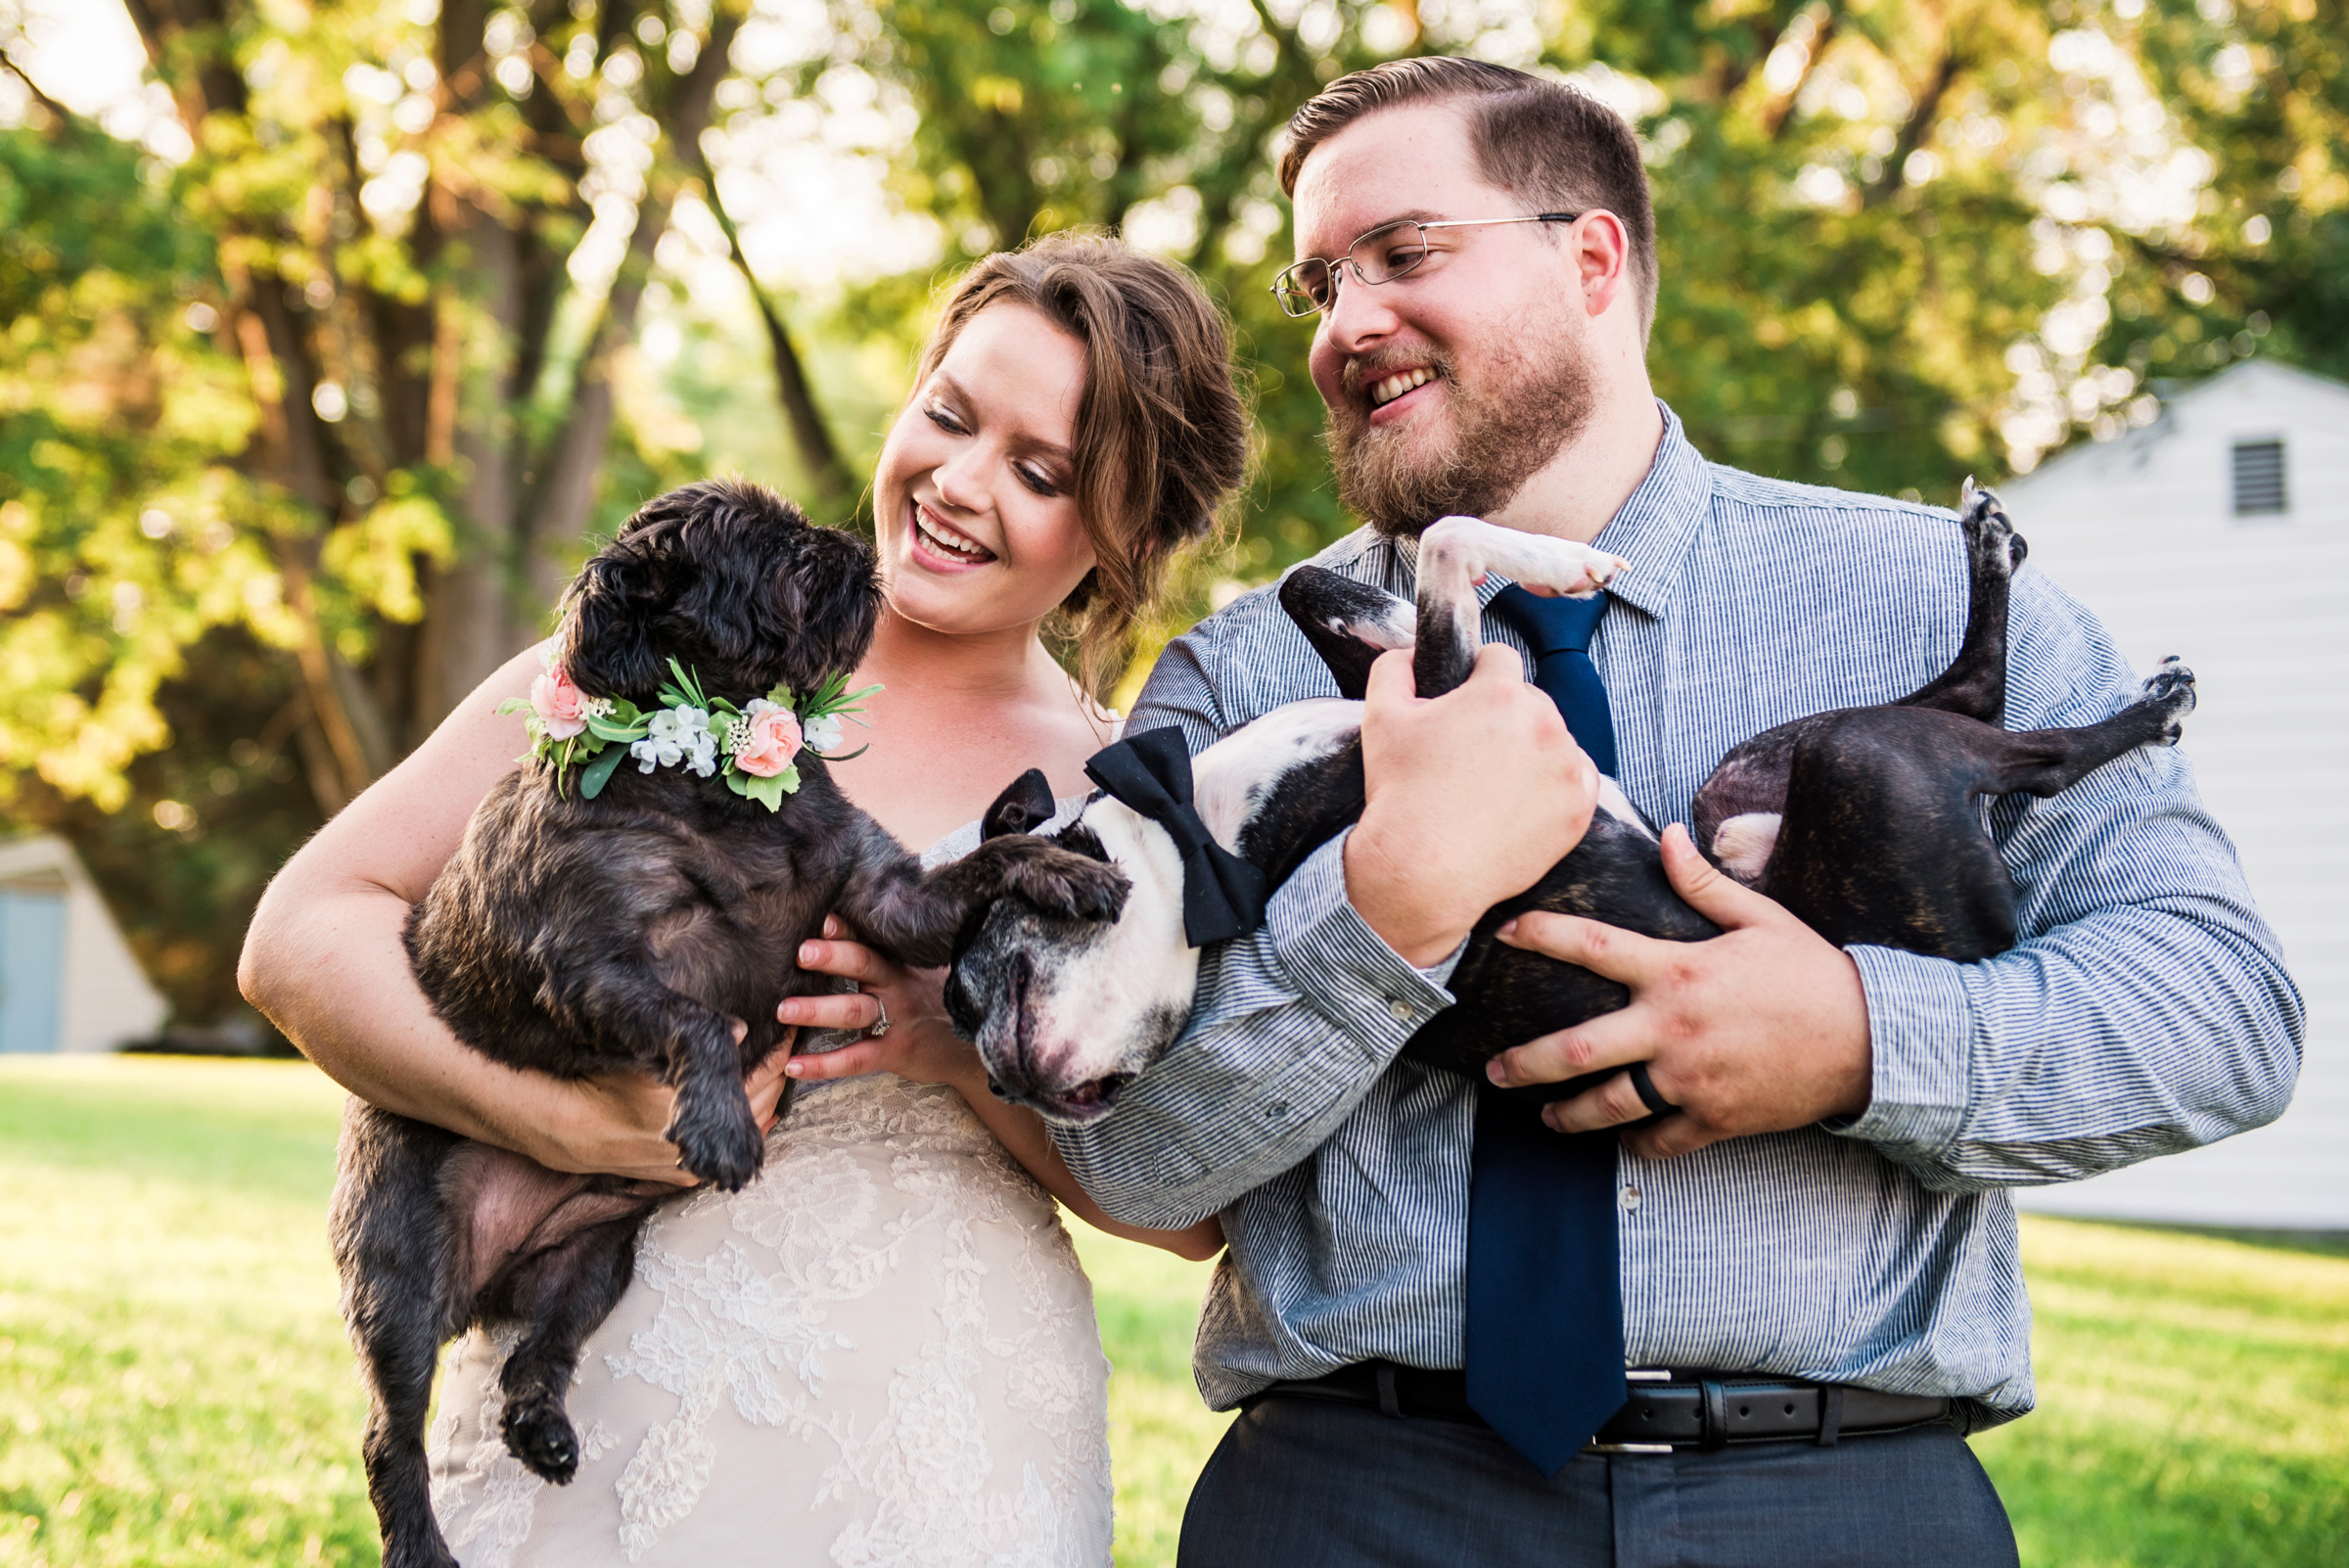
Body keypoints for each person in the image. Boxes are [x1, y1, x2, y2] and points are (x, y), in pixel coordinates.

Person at [1053, 58, 2303, 1567]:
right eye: (1320, 282)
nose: (1344, 325)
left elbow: (2225, 1009)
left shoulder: (1922, 595)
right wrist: (1383, 922)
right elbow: (1127, 1157)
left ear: (1594, 257)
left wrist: (1852, 1036)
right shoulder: (1245, 676)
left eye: (1405, 254)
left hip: (1841, 1502)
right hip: (1354, 1501)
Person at [240, 231, 1248, 1565]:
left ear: (1131, 536)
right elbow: (300, 933)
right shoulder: (673, 644)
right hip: (610, 1387)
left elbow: (1186, 1212)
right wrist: (556, 1117)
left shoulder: (1109, 789)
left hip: (941, 1424)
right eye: (947, 414)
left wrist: (948, 1048)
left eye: (1039, 469)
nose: (956, 482)